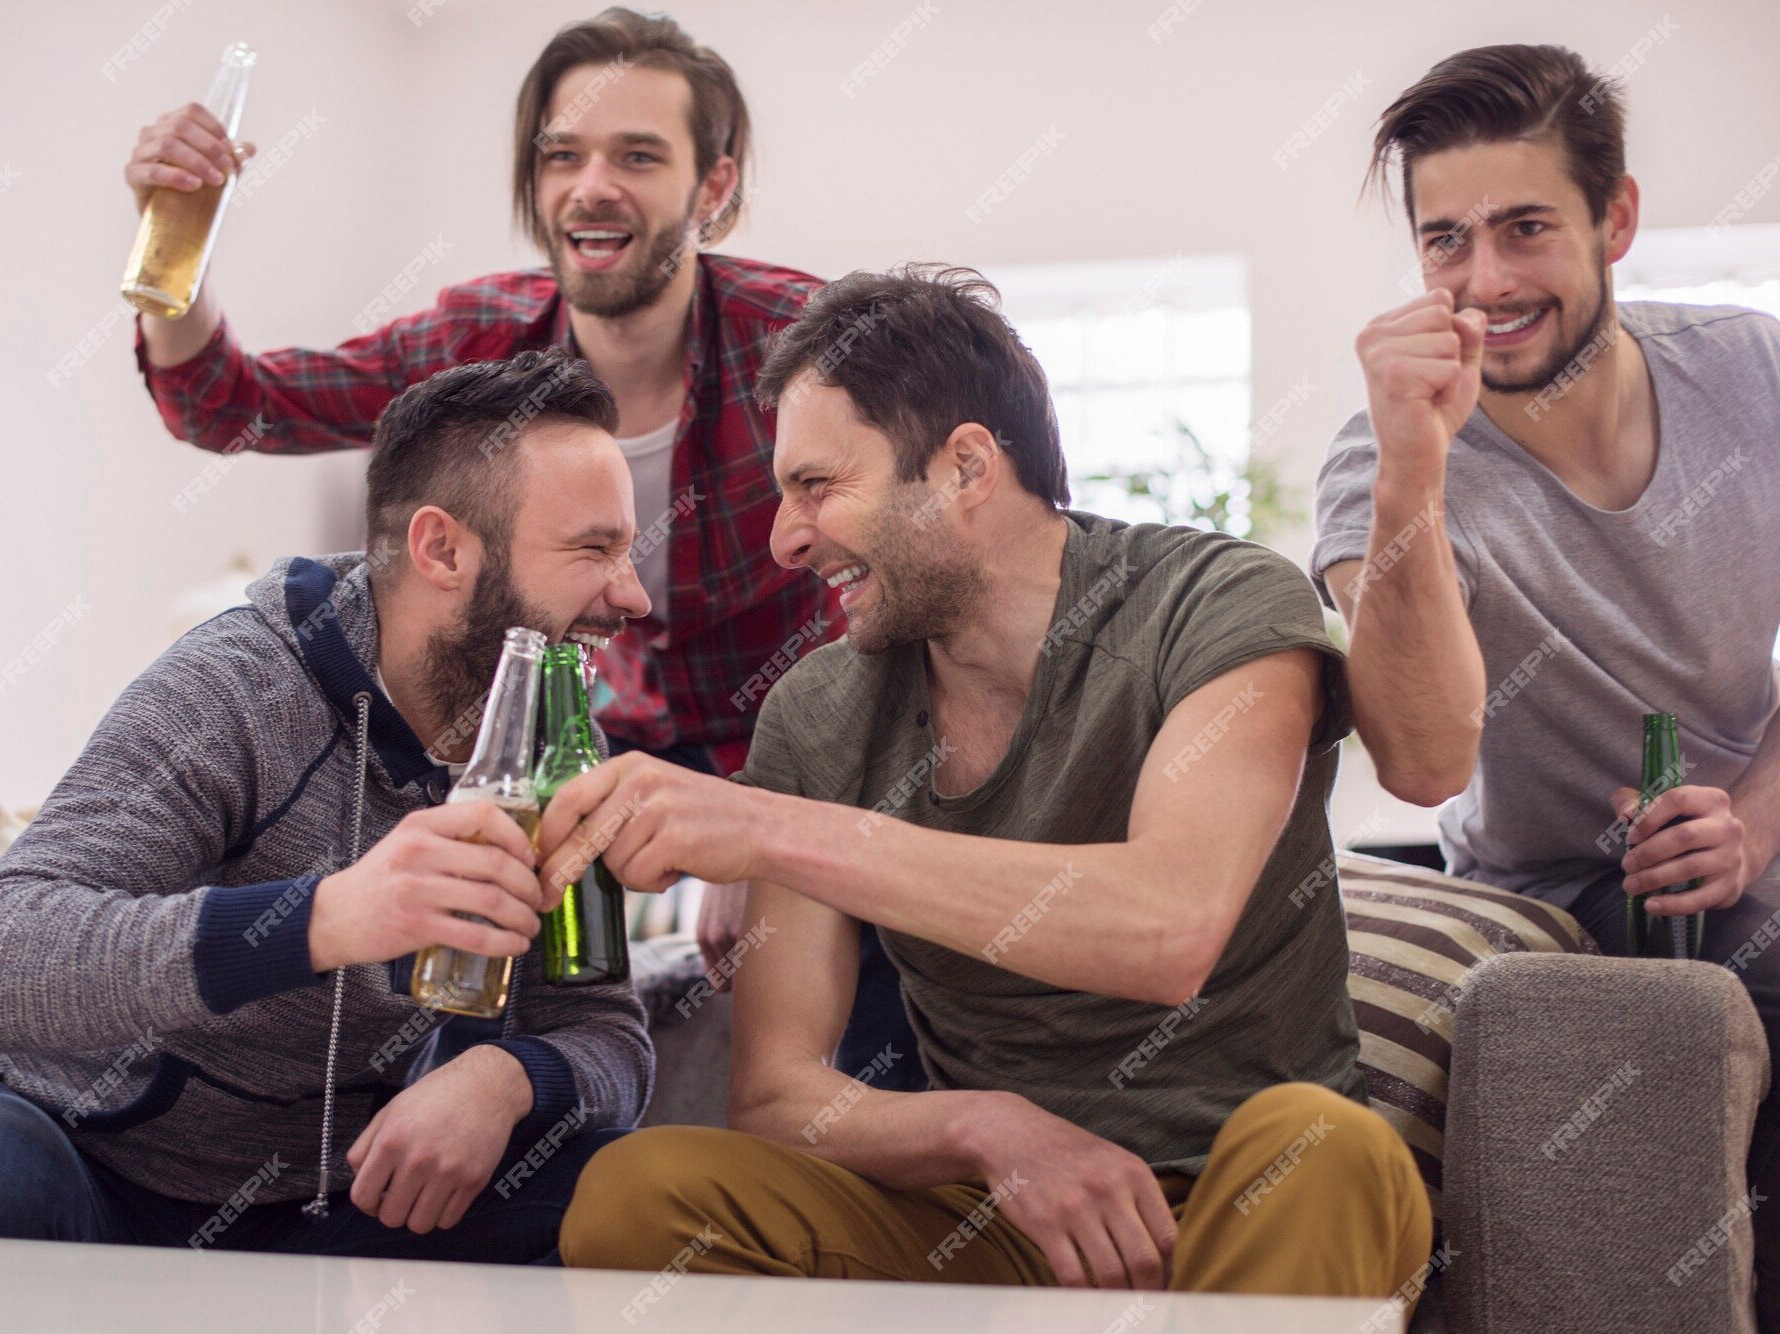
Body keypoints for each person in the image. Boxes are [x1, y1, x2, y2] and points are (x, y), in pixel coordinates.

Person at [546, 267, 1430, 1301]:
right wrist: (986, 1129)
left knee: (1325, 1143)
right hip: (1003, 1220)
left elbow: (1166, 929)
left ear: (965, 465)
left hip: (1253, 1196)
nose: (784, 539)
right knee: (638, 1191)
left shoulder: (1212, 603)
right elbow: (779, 1094)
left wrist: (778, 831)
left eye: (817, 487)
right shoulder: (818, 713)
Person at [123, 7, 915, 1081]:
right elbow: (232, 405)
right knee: (483, 950)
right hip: (581, 740)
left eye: (638, 155)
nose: (591, 185)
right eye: (561, 156)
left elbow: (895, 583)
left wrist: (772, 818)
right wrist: (180, 240)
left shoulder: (804, 343)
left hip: (785, 733)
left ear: (713, 188)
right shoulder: (476, 344)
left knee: (874, 964)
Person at [0, 350, 652, 1262]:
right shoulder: (238, 687)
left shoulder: (560, 747)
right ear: (443, 548)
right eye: (594, 551)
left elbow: (606, 1034)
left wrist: (503, 1079)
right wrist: (325, 919)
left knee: (618, 1192)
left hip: (324, 1204)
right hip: (93, 1161)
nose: (632, 595)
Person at [1311, 43, 1780, 1324]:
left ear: (1613, 217)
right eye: (1444, 241)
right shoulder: (1376, 465)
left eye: (1524, 228)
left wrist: (1748, 818)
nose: (1484, 283)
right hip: (1552, 907)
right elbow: (1417, 758)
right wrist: (1417, 467)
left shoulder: (1750, 374)